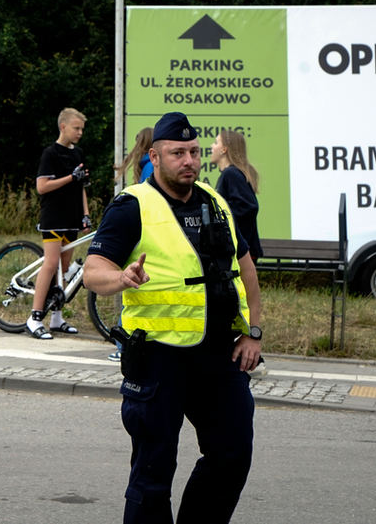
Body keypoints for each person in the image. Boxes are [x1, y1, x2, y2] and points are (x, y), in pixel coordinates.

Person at [84, 111, 263, 524]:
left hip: (220, 355)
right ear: (155, 155)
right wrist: (122, 277)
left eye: (195, 152)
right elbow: (93, 271)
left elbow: (247, 267)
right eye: (177, 153)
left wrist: (253, 332)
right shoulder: (133, 206)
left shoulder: (215, 201)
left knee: (232, 452)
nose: (189, 161)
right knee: (153, 469)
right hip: (158, 358)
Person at [28, 107, 92, 339]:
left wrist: (85, 214)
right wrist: (69, 178)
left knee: (64, 270)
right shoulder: (50, 153)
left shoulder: (78, 153)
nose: (80, 133)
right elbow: (42, 187)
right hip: (53, 216)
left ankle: (56, 318)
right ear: (63, 127)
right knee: (51, 263)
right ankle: (35, 317)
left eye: (82, 129)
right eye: (76, 128)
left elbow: (81, 187)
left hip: (71, 218)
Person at [109, 127, 155, 362]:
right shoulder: (152, 166)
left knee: (133, 291)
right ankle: (122, 344)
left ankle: (121, 344)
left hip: (140, 235)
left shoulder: (144, 164)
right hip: (148, 234)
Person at [211, 129, 263, 261]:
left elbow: (249, 206)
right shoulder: (231, 173)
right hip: (241, 249)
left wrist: (221, 218)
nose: (212, 146)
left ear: (224, 149)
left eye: (216, 142)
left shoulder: (231, 173)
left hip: (241, 251)